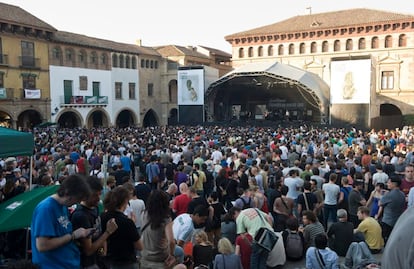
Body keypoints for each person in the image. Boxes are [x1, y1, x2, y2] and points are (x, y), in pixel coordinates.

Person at [31, 174, 95, 269]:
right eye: (77, 199)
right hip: (52, 265)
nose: (76, 203)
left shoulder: (63, 206)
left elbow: (61, 233)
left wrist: (81, 234)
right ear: (68, 194)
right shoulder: (46, 209)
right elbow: (42, 245)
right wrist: (73, 236)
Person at [71, 176, 119, 269]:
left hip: (97, 260)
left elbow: (98, 235)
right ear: (84, 195)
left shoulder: (95, 208)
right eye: (94, 195)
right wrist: (108, 232)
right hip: (86, 263)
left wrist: (102, 251)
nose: (98, 198)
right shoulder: (81, 216)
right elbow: (88, 250)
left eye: (99, 194)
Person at [101, 186, 143, 268]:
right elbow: (139, 246)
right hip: (126, 262)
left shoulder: (103, 217)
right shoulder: (127, 222)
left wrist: (101, 252)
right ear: (125, 201)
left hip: (107, 261)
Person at [140, 190, 177, 269]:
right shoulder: (166, 219)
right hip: (160, 258)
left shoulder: (144, 214)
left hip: (145, 255)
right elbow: (171, 241)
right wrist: (171, 255)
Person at [377, 176, 405, 244]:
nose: (387, 184)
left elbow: (380, 203)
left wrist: (382, 195)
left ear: (394, 184)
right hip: (397, 221)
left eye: (389, 183)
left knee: (386, 240)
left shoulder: (389, 195)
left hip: (387, 221)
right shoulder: (402, 194)